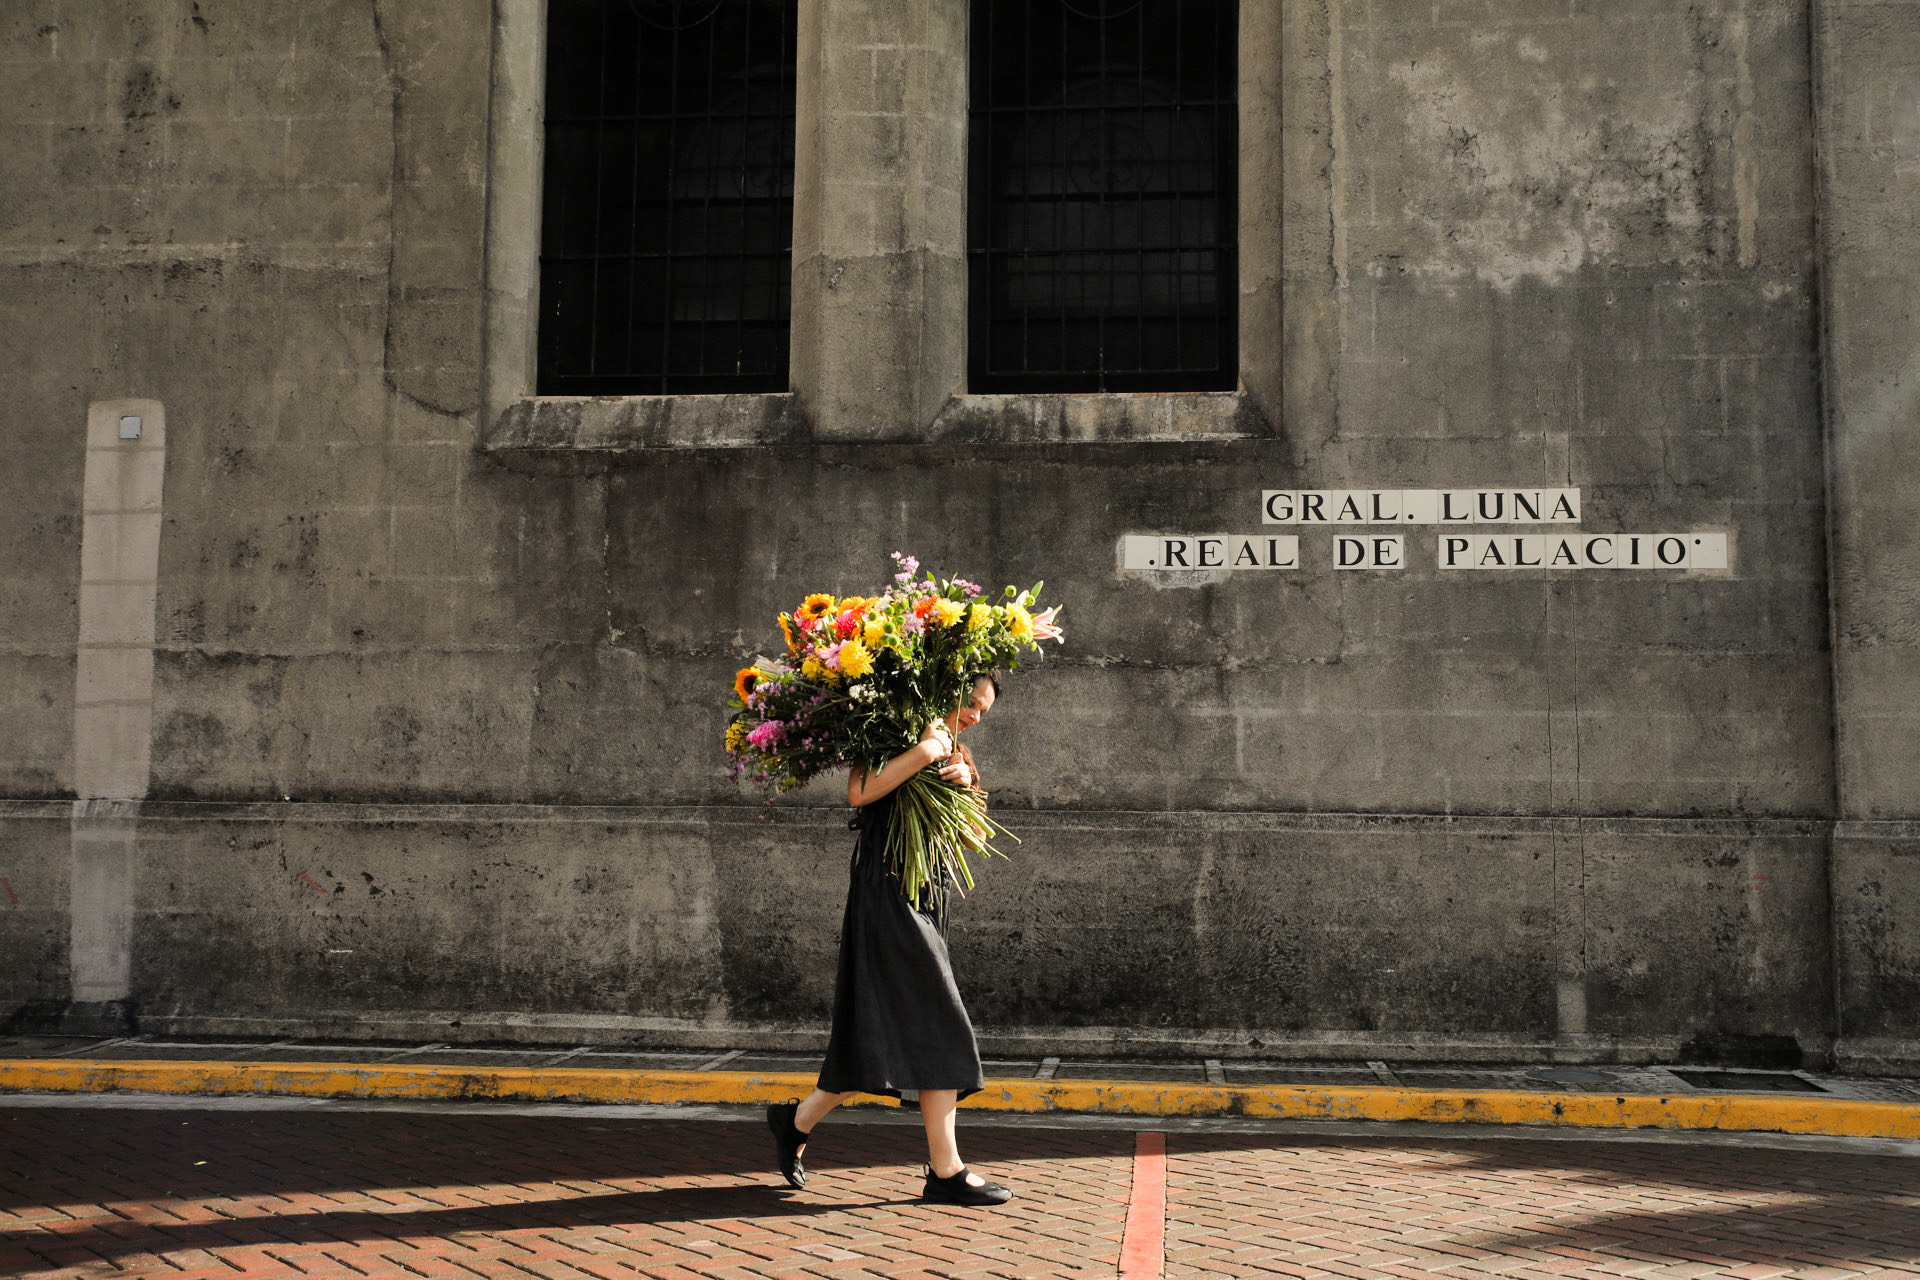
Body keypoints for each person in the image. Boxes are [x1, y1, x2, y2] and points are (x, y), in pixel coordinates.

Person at [766, 672, 1012, 1206]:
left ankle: (795, 1121)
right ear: (939, 690)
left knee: (874, 1032)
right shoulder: (890, 733)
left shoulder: (960, 755)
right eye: (968, 702)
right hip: (887, 893)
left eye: (982, 712)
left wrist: (964, 787)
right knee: (939, 1020)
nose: (973, 715)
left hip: (928, 897)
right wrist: (924, 751)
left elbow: (973, 836)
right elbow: (860, 792)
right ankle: (945, 1171)